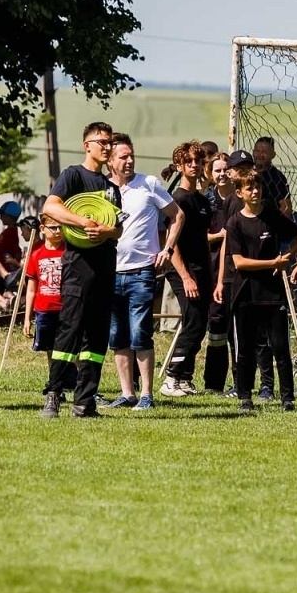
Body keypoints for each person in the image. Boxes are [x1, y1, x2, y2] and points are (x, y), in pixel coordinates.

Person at [39, 121, 124, 419]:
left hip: (105, 268)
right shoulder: (73, 175)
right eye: (101, 141)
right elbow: (50, 207)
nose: (106, 146)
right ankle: (53, 394)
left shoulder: (112, 188)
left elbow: (118, 229)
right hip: (77, 268)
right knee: (69, 331)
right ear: (86, 145)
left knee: (97, 338)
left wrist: (105, 231)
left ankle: (85, 401)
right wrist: (84, 222)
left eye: (109, 141)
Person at [103, 133, 183, 410]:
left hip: (141, 273)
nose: (129, 161)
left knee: (140, 332)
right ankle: (128, 394)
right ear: (110, 162)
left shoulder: (148, 184)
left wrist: (167, 249)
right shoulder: (103, 190)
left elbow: (177, 215)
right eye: (122, 156)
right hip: (111, 272)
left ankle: (147, 394)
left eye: (131, 155)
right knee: (117, 335)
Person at [224, 163, 297, 412]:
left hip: (272, 294)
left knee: (280, 347)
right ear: (239, 192)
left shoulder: (272, 216)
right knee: (246, 348)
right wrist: (273, 262)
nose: (255, 191)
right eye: (249, 188)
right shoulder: (235, 223)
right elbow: (239, 262)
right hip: (245, 293)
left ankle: (287, 398)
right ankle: (245, 397)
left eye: (257, 186)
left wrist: (288, 257)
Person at [161, 141, 215, 397]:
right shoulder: (176, 200)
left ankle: (184, 378)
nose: (195, 166)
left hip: (202, 269)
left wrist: (210, 273)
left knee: (200, 323)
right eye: (189, 162)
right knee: (193, 322)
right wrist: (185, 276)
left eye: (198, 161)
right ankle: (171, 377)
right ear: (179, 166)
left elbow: (203, 240)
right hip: (182, 270)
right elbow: (172, 243)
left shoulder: (202, 201)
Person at [23, 216, 73, 397]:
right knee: (50, 349)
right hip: (44, 309)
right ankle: (55, 383)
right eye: (53, 228)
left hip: (66, 308)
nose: (58, 231)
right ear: (43, 229)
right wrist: (27, 318)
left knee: (70, 347)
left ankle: (75, 381)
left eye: (61, 227)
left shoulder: (69, 253)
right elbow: (30, 289)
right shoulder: (36, 255)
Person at [202, 151, 234, 395]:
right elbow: (197, 237)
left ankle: (241, 381)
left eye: (226, 169)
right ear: (210, 174)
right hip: (212, 271)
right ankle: (213, 383)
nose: (222, 174)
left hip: (238, 271)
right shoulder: (205, 203)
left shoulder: (241, 200)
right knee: (217, 327)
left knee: (239, 330)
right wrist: (219, 236)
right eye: (217, 170)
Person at [251, 136, 293, 219]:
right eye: (257, 151)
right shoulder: (247, 173)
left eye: (264, 152)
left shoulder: (277, 177)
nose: (259, 154)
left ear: (273, 155)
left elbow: (286, 207)